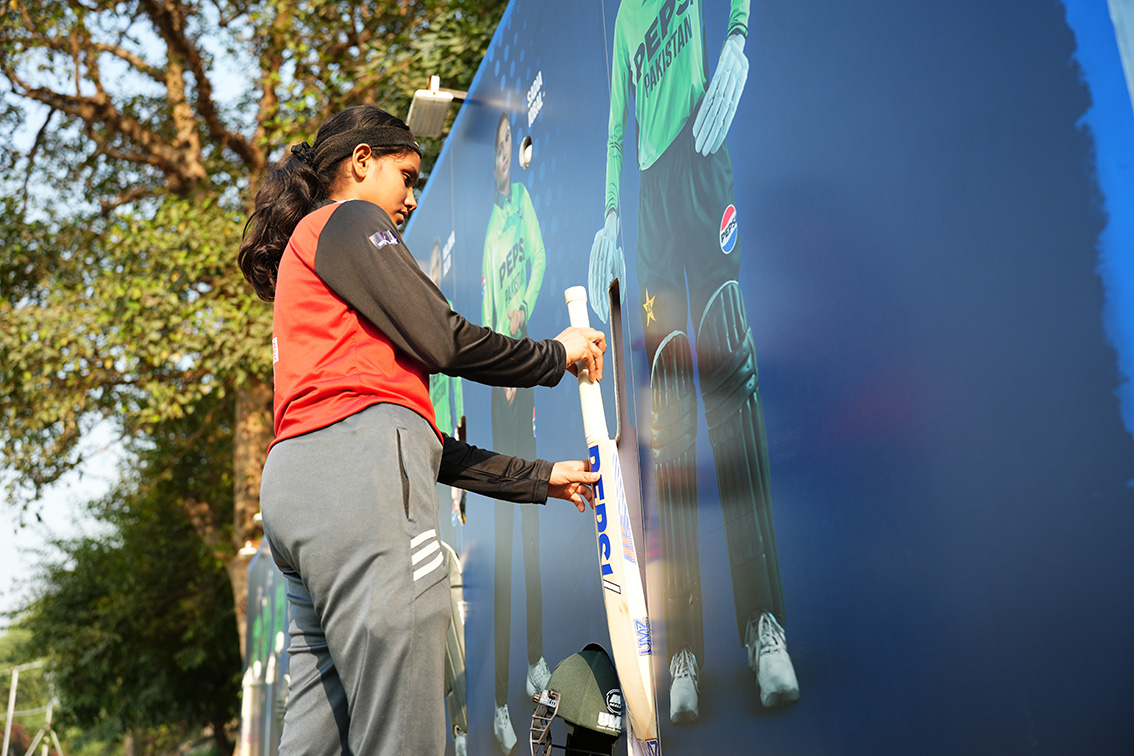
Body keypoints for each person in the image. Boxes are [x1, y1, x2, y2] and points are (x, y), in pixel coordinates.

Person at [237, 104, 606, 756]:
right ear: (359, 163)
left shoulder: (317, 272)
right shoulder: (349, 219)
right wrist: (556, 355)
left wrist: (540, 478)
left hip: (300, 492)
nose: (410, 197)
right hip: (353, 481)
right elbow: (441, 338)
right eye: (406, 175)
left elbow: (419, 440)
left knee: (316, 737)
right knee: (400, 726)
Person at [588, 0, 799, 725]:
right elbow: (617, 125)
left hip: (702, 154)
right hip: (653, 202)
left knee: (732, 389)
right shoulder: (622, 20)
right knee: (671, 420)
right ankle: (682, 654)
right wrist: (612, 213)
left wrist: (738, 33)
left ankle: (764, 630)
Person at [480, 112, 551, 755]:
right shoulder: (488, 230)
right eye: (498, 149)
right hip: (498, 391)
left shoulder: (521, 208)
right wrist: (498, 356)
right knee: (503, 545)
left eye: (510, 146)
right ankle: (499, 702)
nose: (504, 157)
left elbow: (541, 259)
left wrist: (524, 310)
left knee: (529, 528)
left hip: (521, 380)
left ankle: (533, 665)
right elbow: (478, 318)